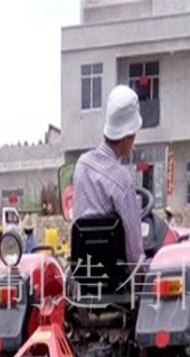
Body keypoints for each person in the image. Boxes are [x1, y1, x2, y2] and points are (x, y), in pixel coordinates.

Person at [73, 85, 144, 268]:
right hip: (117, 282)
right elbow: (134, 253)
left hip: (84, 276)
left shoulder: (82, 165)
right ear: (127, 137)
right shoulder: (122, 180)